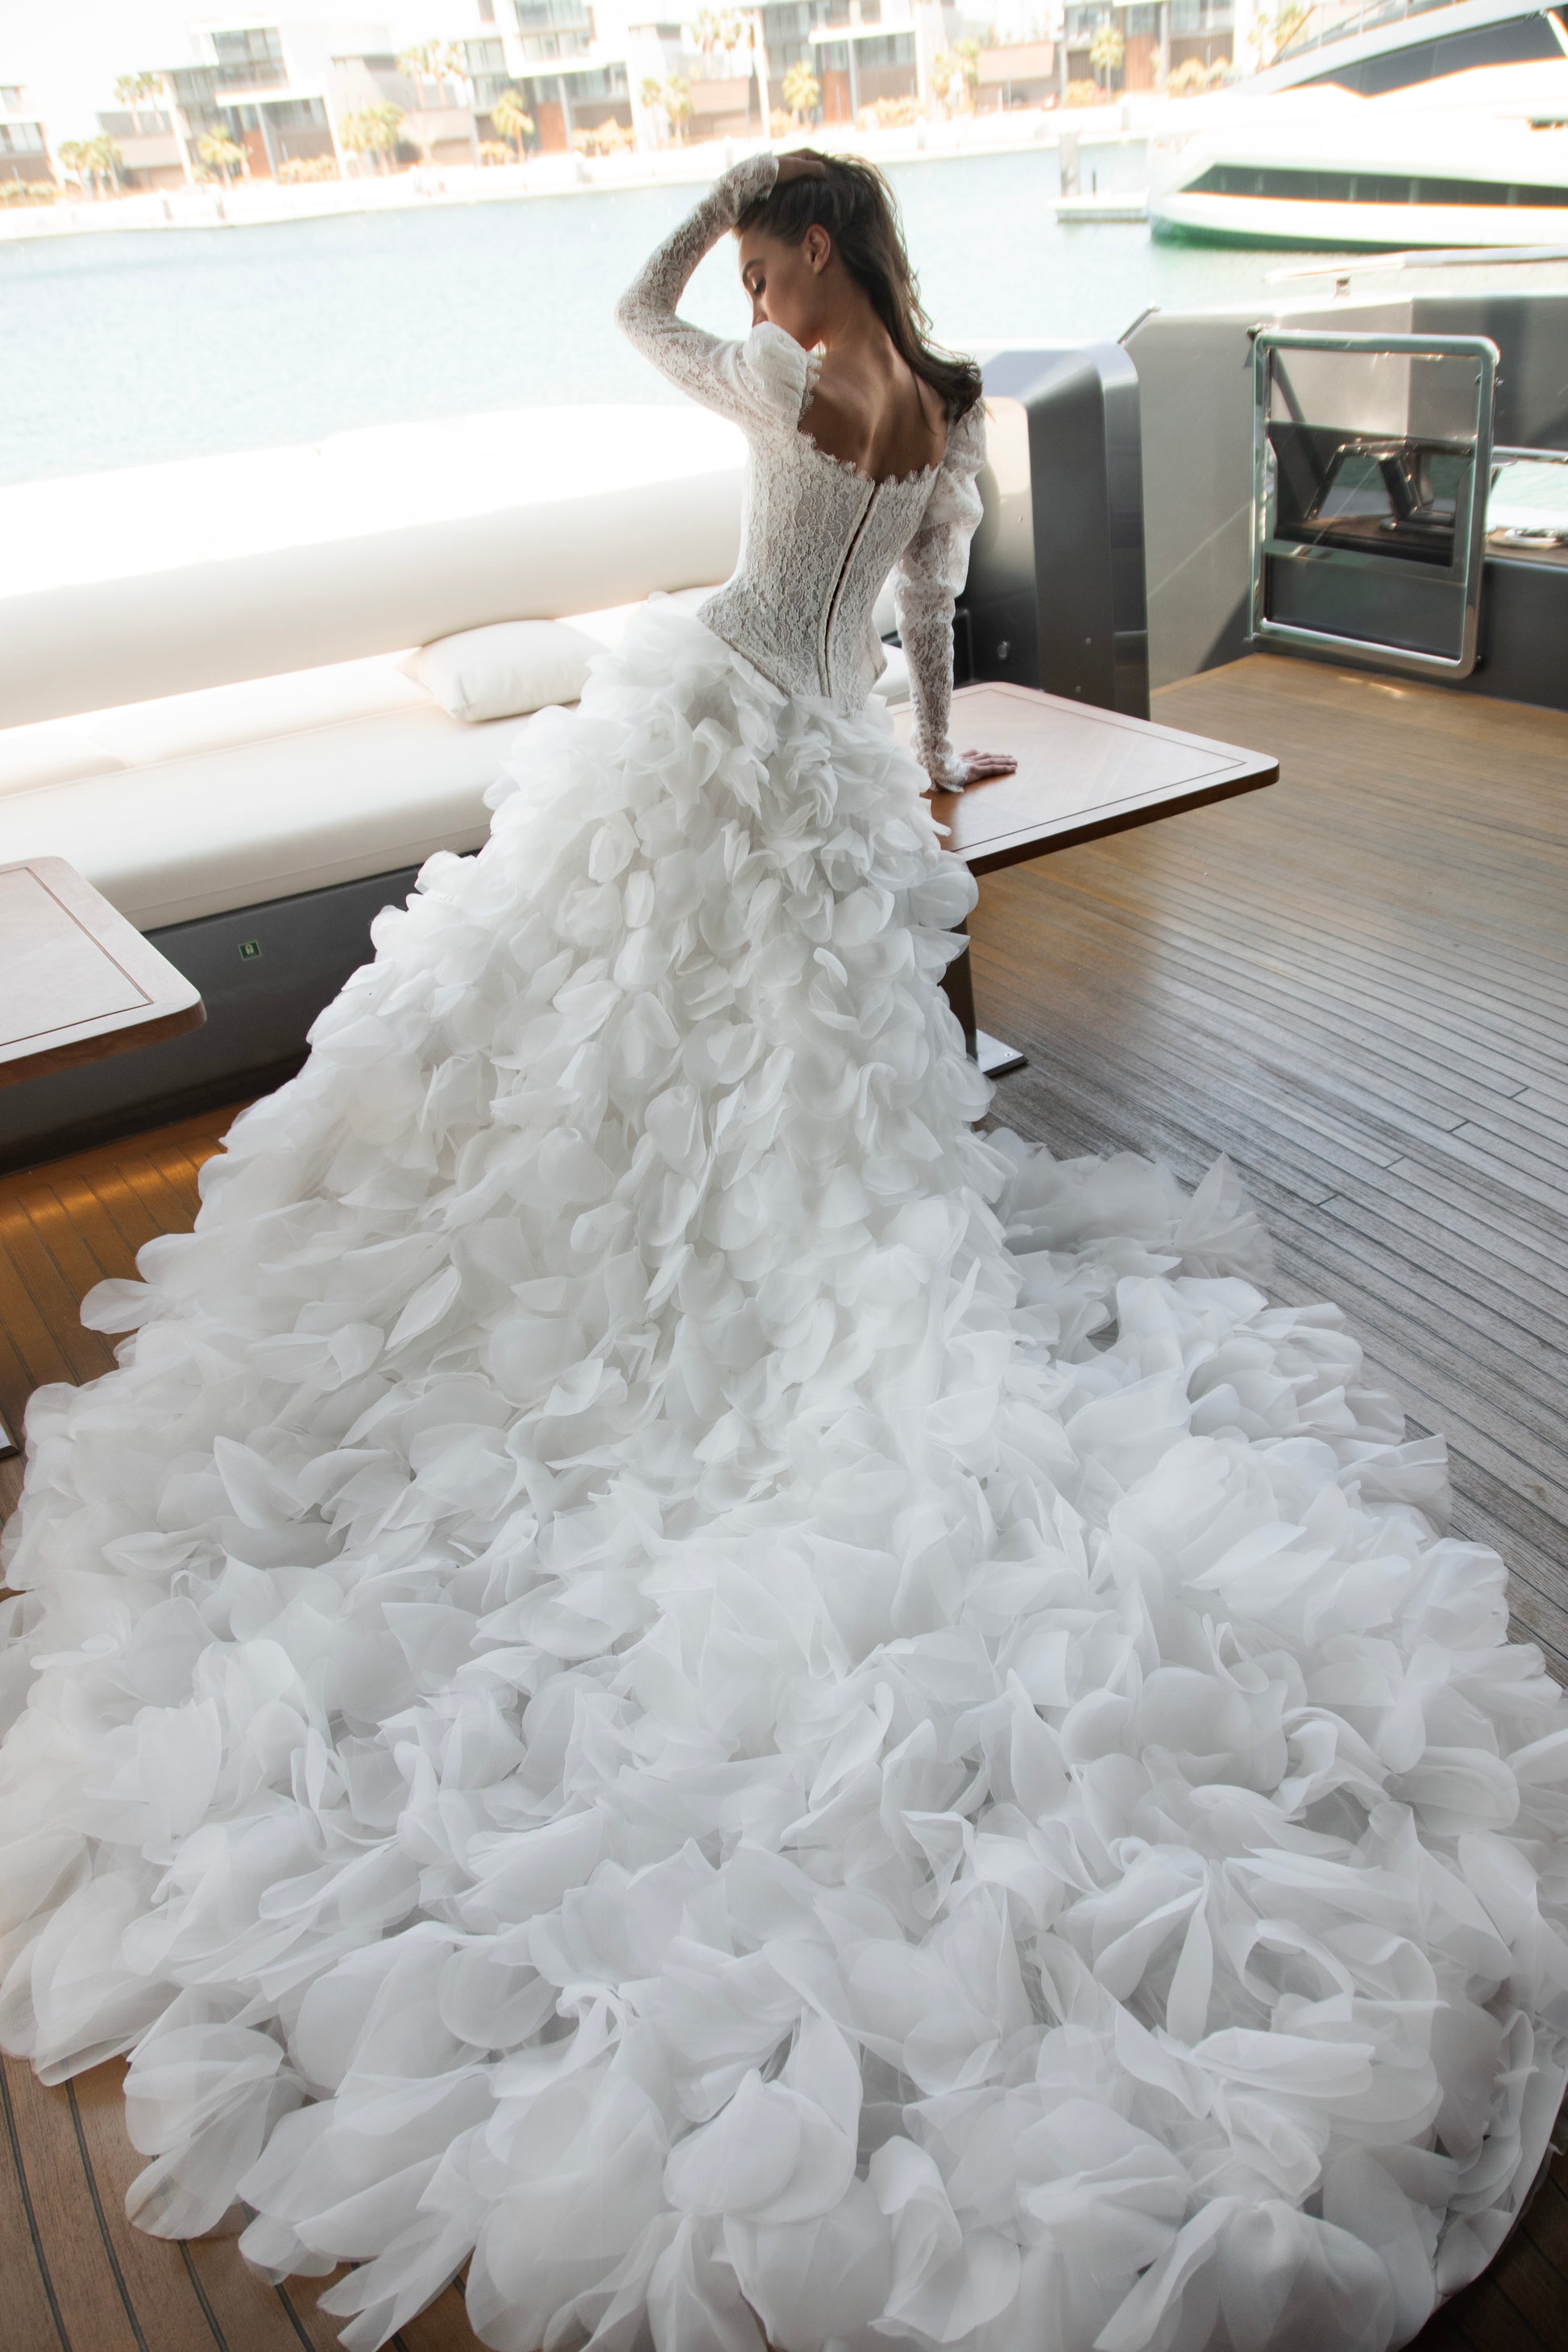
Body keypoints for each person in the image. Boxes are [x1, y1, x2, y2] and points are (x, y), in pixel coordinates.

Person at [1, 150, 1564, 2352]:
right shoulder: (940, 403)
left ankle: (615, 1275)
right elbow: (927, 627)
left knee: (611, 1034)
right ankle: (693, 1246)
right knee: (759, 1069)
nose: (743, 285)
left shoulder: (781, 381)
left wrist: (694, 240)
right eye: (745, 259)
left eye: (761, 250)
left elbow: (634, 329)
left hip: (712, 721)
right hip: (814, 759)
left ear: (816, 246)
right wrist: (925, 784)